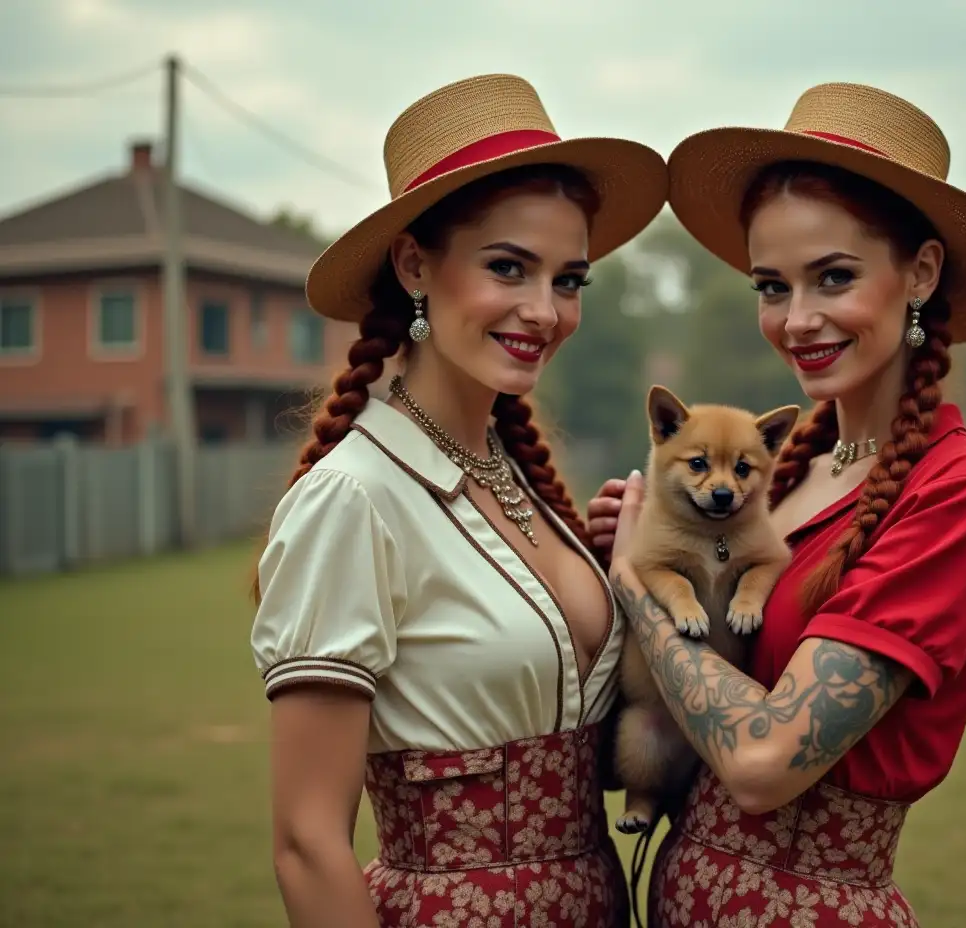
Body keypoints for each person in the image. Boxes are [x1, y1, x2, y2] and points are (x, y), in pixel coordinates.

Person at [588, 82, 966, 926]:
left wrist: (638, 592)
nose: (797, 320)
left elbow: (762, 763)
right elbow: (673, 703)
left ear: (922, 273)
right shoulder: (788, 470)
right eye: (771, 285)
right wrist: (642, 541)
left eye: (833, 277)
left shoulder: (962, 490)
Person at [249, 73, 668, 927]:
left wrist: (634, 573)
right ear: (414, 265)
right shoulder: (355, 497)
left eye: (569, 279)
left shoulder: (519, 480)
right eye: (508, 267)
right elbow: (306, 841)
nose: (544, 310)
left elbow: (582, 752)